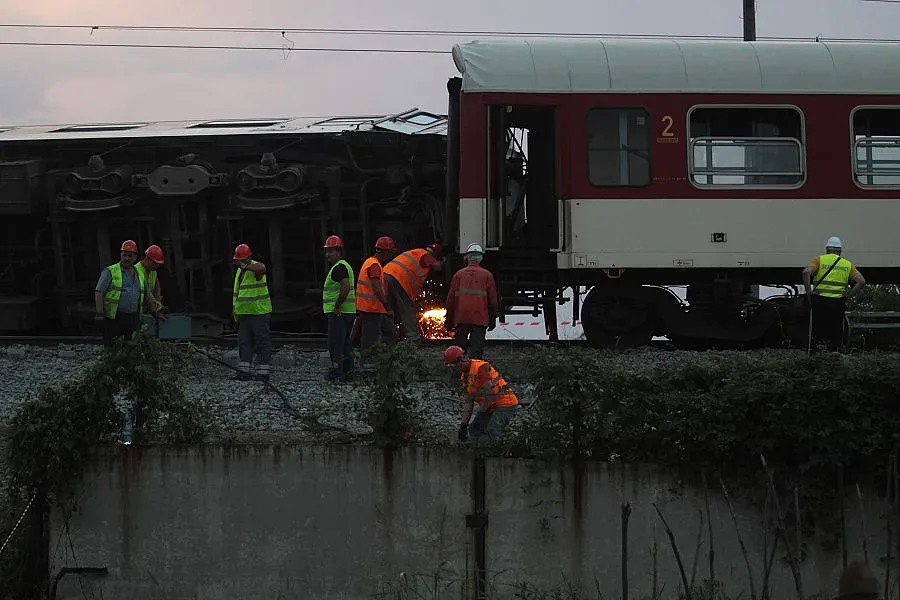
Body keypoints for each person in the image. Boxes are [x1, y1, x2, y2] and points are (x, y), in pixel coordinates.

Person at [443, 345, 519, 443]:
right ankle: (480, 453)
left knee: (494, 430)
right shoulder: (465, 377)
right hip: (490, 406)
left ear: (461, 360)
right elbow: (468, 402)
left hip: (506, 404)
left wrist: (481, 413)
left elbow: (489, 395)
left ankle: (496, 455)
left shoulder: (481, 368)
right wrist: (463, 425)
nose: (453, 369)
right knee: (474, 430)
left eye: (453, 365)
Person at [802, 236, 866, 350]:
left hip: (820, 300)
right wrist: (848, 295)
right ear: (840, 251)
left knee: (817, 329)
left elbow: (806, 272)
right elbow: (861, 281)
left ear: (827, 249)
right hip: (838, 302)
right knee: (836, 330)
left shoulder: (819, 260)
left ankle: (815, 353)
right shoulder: (847, 264)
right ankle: (835, 354)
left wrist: (809, 292)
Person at [94, 239, 161, 346]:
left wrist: (154, 312)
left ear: (135, 257)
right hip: (114, 317)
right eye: (124, 255)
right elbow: (99, 292)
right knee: (113, 346)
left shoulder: (139, 273)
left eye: (130, 256)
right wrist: (99, 313)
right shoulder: (110, 271)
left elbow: (146, 294)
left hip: (133, 317)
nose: (126, 258)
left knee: (130, 346)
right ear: (121, 254)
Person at [445, 243, 499, 359]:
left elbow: (450, 301)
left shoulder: (458, 275)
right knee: (476, 353)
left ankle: (459, 374)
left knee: (459, 353)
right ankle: (474, 374)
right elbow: (493, 300)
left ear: (467, 257)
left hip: (461, 318)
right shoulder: (487, 275)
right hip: (480, 318)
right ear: (481, 258)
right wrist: (493, 318)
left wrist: (448, 321)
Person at [383, 243, 445, 341]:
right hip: (399, 279)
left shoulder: (415, 252)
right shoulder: (425, 254)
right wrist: (444, 261)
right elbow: (438, 266)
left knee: (388, 308)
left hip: (385, 275)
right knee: (407, 308)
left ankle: (386, 335)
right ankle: (413, 336)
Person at [231, 243, 272, 382]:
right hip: (244, 314)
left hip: (259, 312)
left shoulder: (255, 267)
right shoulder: (240, 271)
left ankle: (263, 373)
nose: (240, 262)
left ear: (249, 257)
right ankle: (244, 372)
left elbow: (262, 268)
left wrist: (244, 265)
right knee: (244, 342)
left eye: (242, 259)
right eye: (239, 260)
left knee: (261, 342)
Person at [355, 236, 398, 364]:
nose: (391, 254)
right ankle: (368, 364)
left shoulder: (370, 262)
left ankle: (383, 359)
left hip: (371, 308)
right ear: (385, 252)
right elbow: (377, 288)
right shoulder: (374, 265)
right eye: (390, 252)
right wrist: (387, 306)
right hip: (371, 309)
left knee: (391, 332)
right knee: (370, 339)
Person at [323, 234, 356, 381]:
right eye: (327, 251)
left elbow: (345, 287)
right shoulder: (345, 266)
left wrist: (337, 306)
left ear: (339, 251)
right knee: (346, 343)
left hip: (339, 312)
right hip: (348, 311)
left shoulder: (339, 268)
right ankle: (348, 372)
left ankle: (338, 371)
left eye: (331, 251)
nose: (327, 254)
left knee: (336, 342)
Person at [136, 244, 165, 312]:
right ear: (147, 259)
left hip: (148, 310)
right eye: (155, 263)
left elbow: (157, 285)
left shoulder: (153, 271)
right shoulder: (136, 270)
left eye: (158, 264)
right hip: (138, 311)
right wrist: (156, 306)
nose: (157, 266)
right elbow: (146, 293)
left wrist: (158, 300)